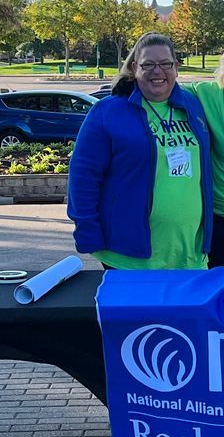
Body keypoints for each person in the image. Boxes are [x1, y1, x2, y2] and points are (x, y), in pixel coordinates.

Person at [68, 33, 213, 269]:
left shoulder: (193, 105)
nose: (158, 71)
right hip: (129, 256)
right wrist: (86, 228)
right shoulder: (108, 111)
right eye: (148, 65)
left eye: (165, 64)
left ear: (176, 67)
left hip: (190, 253)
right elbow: (83, 176)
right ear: (135, 68)